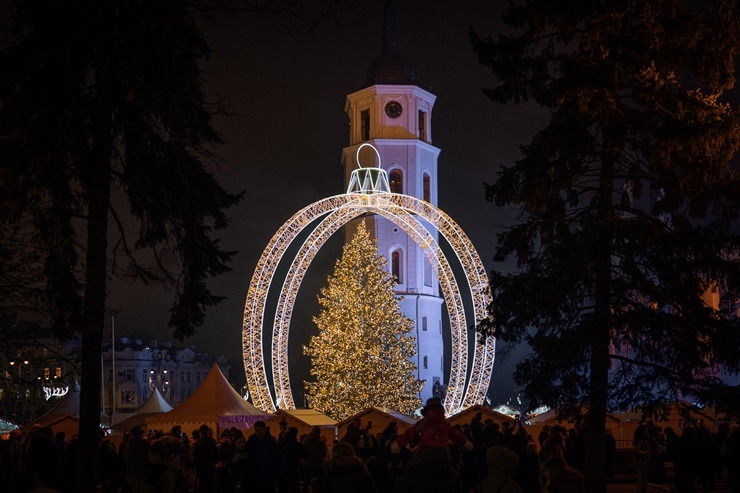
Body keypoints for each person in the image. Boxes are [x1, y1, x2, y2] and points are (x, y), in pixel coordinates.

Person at [391, 398, 472, 493]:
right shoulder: (444, 425)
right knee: (455, 477)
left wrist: (398, 444)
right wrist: (465, 444)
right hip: (442, 456)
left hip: (424, 455)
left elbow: (410, 434)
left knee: (405, 478)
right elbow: (455, 435)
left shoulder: (423, 424)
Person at [246, 421, 282, 493]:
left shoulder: (271, 443)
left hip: (267, 475)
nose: (258, 432)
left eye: (260, 430)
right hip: (257, 475)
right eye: (256, 430)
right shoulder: (252, 442)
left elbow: (277, 459)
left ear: (264, 429)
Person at [633, 425, 650, 493]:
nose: (647, 431)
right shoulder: (641, 440)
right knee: (643, 477)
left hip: (640, 460)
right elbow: (637, 450)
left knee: (642, 477)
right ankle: (641, 490)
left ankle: (640, 490)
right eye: (645, 430)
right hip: (642, 460)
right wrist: (645, 453)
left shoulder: (638, 439)